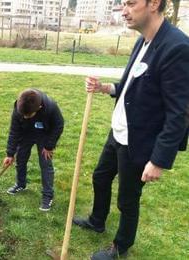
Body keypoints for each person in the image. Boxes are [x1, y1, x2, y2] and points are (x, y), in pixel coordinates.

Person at [73, 1, 189, 259]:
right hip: (119, 132)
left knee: (128, 198)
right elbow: (130, 87)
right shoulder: (143, 41)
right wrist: (105, 88)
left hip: (140, 141)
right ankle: (97, 220)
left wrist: (159, 160)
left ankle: (120, 247)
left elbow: (179, 113)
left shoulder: (177, 47)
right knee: (100, 177)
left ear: (154, 4)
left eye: (130, 3)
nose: (123, 10)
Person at [3, 89, 64, 211]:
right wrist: (10, 153)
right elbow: (14, 131)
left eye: (28, 115)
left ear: (39, 107)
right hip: (26, 133)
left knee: (45, 164)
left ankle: (47, 196)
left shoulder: (50, 107)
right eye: (23, 115)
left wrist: (49, 146)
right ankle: (21, 184)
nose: (25, 117)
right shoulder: (19, 107)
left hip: (44, 134)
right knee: (20, 158)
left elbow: (58, 125)